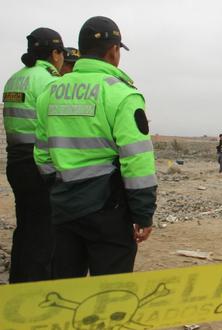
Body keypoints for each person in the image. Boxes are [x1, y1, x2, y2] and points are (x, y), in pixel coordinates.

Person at [34, 16, 157, 279]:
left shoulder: (50, 92)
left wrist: (57, 188)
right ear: (113, 51)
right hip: (108, 210)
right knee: (110, 293)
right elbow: (136, 160)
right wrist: (143, 214)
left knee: (65, 289)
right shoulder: (122, 94)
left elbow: (42, 153)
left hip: (64, 207)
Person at [3, 27, 64, 283]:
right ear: (54, 53)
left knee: (25, 226)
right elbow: (56, 128)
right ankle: (37, 293)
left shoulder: (14, 79)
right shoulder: (50, 82)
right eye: (61, 54)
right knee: (43, 231)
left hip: (15, 161)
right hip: (38, 163)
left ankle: (18, 281)